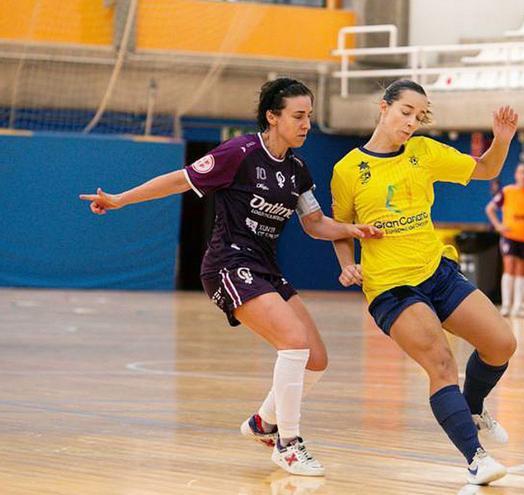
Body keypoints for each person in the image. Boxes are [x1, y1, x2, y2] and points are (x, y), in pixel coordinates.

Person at [79, 78, 382, 476]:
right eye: (298, 115)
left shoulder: (297, 169)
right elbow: (179, 179)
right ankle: (287, 444)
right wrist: (119, 199)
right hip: (228, 264)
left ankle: (263, 423)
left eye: (310, 116)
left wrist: (352, 230)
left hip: (266, 268)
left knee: (317, 360)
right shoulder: (239, 153)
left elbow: (314, 224)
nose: (307, 123)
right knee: (293, 343)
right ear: (273, 117)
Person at [330, 79, 518, 486]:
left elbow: (486, 168)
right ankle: (476, 457)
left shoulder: (424, 152)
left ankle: (471, 406)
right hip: (391, 287)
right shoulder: (347, 170)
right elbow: (341, 228)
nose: (412, 121)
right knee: (442, 363)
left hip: (436, 271)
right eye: (406, 112)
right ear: (384, 107)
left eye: (420, 115)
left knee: (502, 344)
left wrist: (501, 140)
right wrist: (347, 263)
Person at [485, 163, 524, 318]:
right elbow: (490, 208)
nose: (523, 175)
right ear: (516, 175)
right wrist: (498, 226)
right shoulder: (507, 192)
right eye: (521, 172)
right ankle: (506, 305)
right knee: (510, 267)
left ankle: (518, 306)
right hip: (510, 236)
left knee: (522, 272)